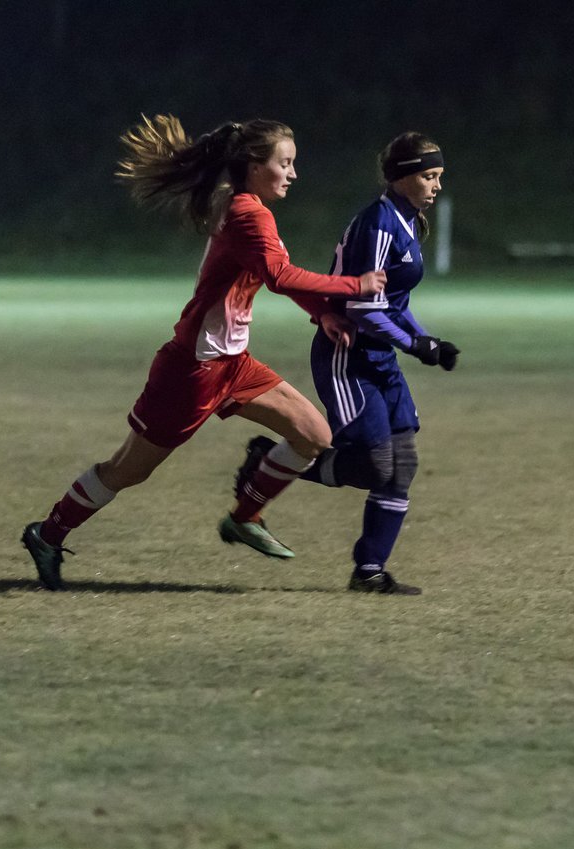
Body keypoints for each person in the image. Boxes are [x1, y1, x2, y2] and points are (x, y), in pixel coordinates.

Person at [20, 115, 386, 591]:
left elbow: (273, 270)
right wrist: (352, 286)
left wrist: (323, 314)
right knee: (128, 469)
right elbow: (279, 274)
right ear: (255, 165)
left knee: (313, 433)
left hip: (232, 363)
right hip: (192, 370)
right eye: (285, 163)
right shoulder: (246, 212)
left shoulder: (245, 206)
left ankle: (245, 516)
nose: (293, 173)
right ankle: (48, 534)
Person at [238, 132, 457, 595]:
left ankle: (370, 571)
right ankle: (270, 461)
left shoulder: (408, 219)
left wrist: (422, 338)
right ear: (402, 176)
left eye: (439, 176)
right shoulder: (379, 224)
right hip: (347, 355)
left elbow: (393, 301)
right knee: (375, 466)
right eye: (429, 176)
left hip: (378, 355)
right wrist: (417, 346)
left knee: (403, 464)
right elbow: (362, 308)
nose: (436, 185)